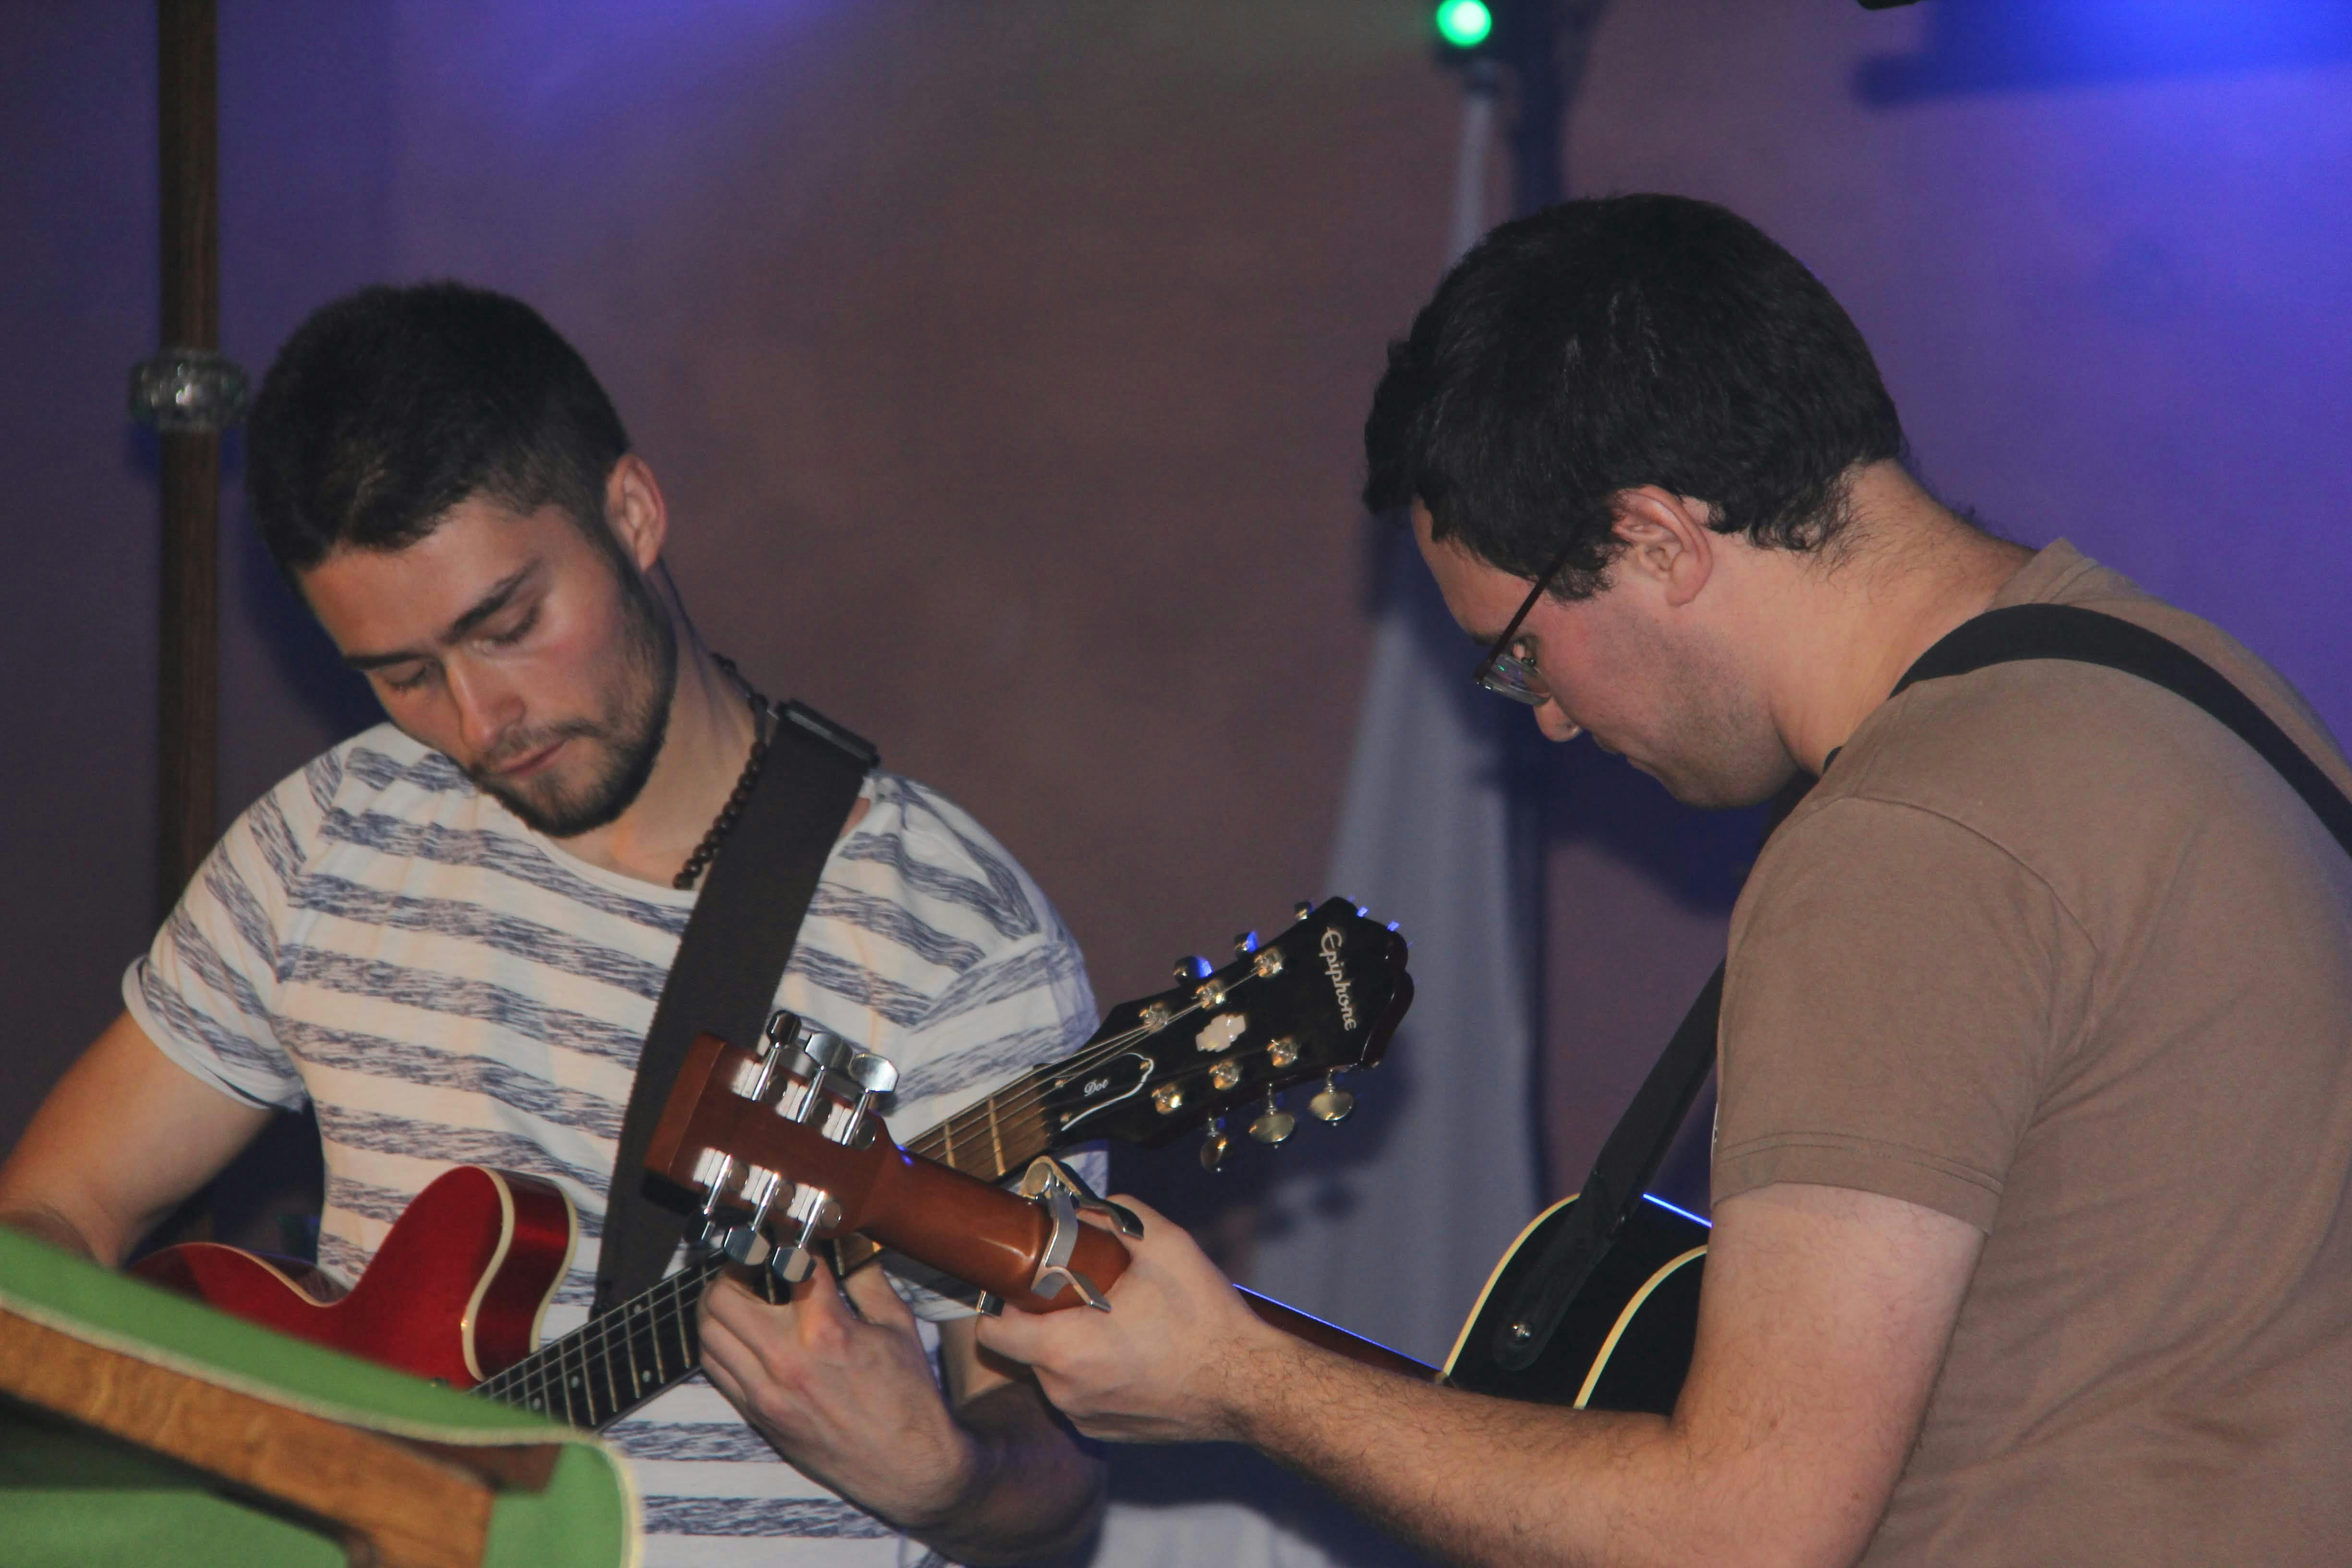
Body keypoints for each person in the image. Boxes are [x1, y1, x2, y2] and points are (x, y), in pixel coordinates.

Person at [976, 194, 2352, 1565]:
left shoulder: (1900, 843)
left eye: (1518, 652)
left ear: (1655, 543)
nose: (1550, 716)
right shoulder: (2197, 686)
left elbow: (1740, 1528)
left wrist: (1240, 1382)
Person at [0, 282, 1106, 1567]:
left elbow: (1056, 1474)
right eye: (401, 674)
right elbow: (56, 1214)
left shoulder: (952, 936)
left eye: (508, 625)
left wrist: (951, 1479)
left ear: (631, 512)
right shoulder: (333, 835)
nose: (479, 720)